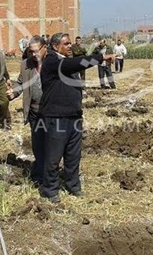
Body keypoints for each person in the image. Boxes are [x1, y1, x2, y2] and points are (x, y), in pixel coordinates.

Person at [39, 33, 116, 203]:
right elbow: (76, 64)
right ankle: (49, 190)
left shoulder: (65, 61)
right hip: (56, 117)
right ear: (55, 46)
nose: (69, 46)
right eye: (66, 44)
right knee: (53, 156)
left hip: (73, 116)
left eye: (70, 43)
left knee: (73, 155)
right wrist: (101, 57)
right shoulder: (53, 61)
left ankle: (73, 185)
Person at [7, 35, 48, 185]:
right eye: (30, 51)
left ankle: (50, 173)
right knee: (37, 144)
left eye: (36, 51)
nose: (33, 55)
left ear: (45, 48)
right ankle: (40, 174)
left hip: (51, 113)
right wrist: (14, 93)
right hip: (34, 112)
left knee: (52, 144)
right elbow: (20, 83)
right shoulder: (25, 64)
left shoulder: (53, 63)